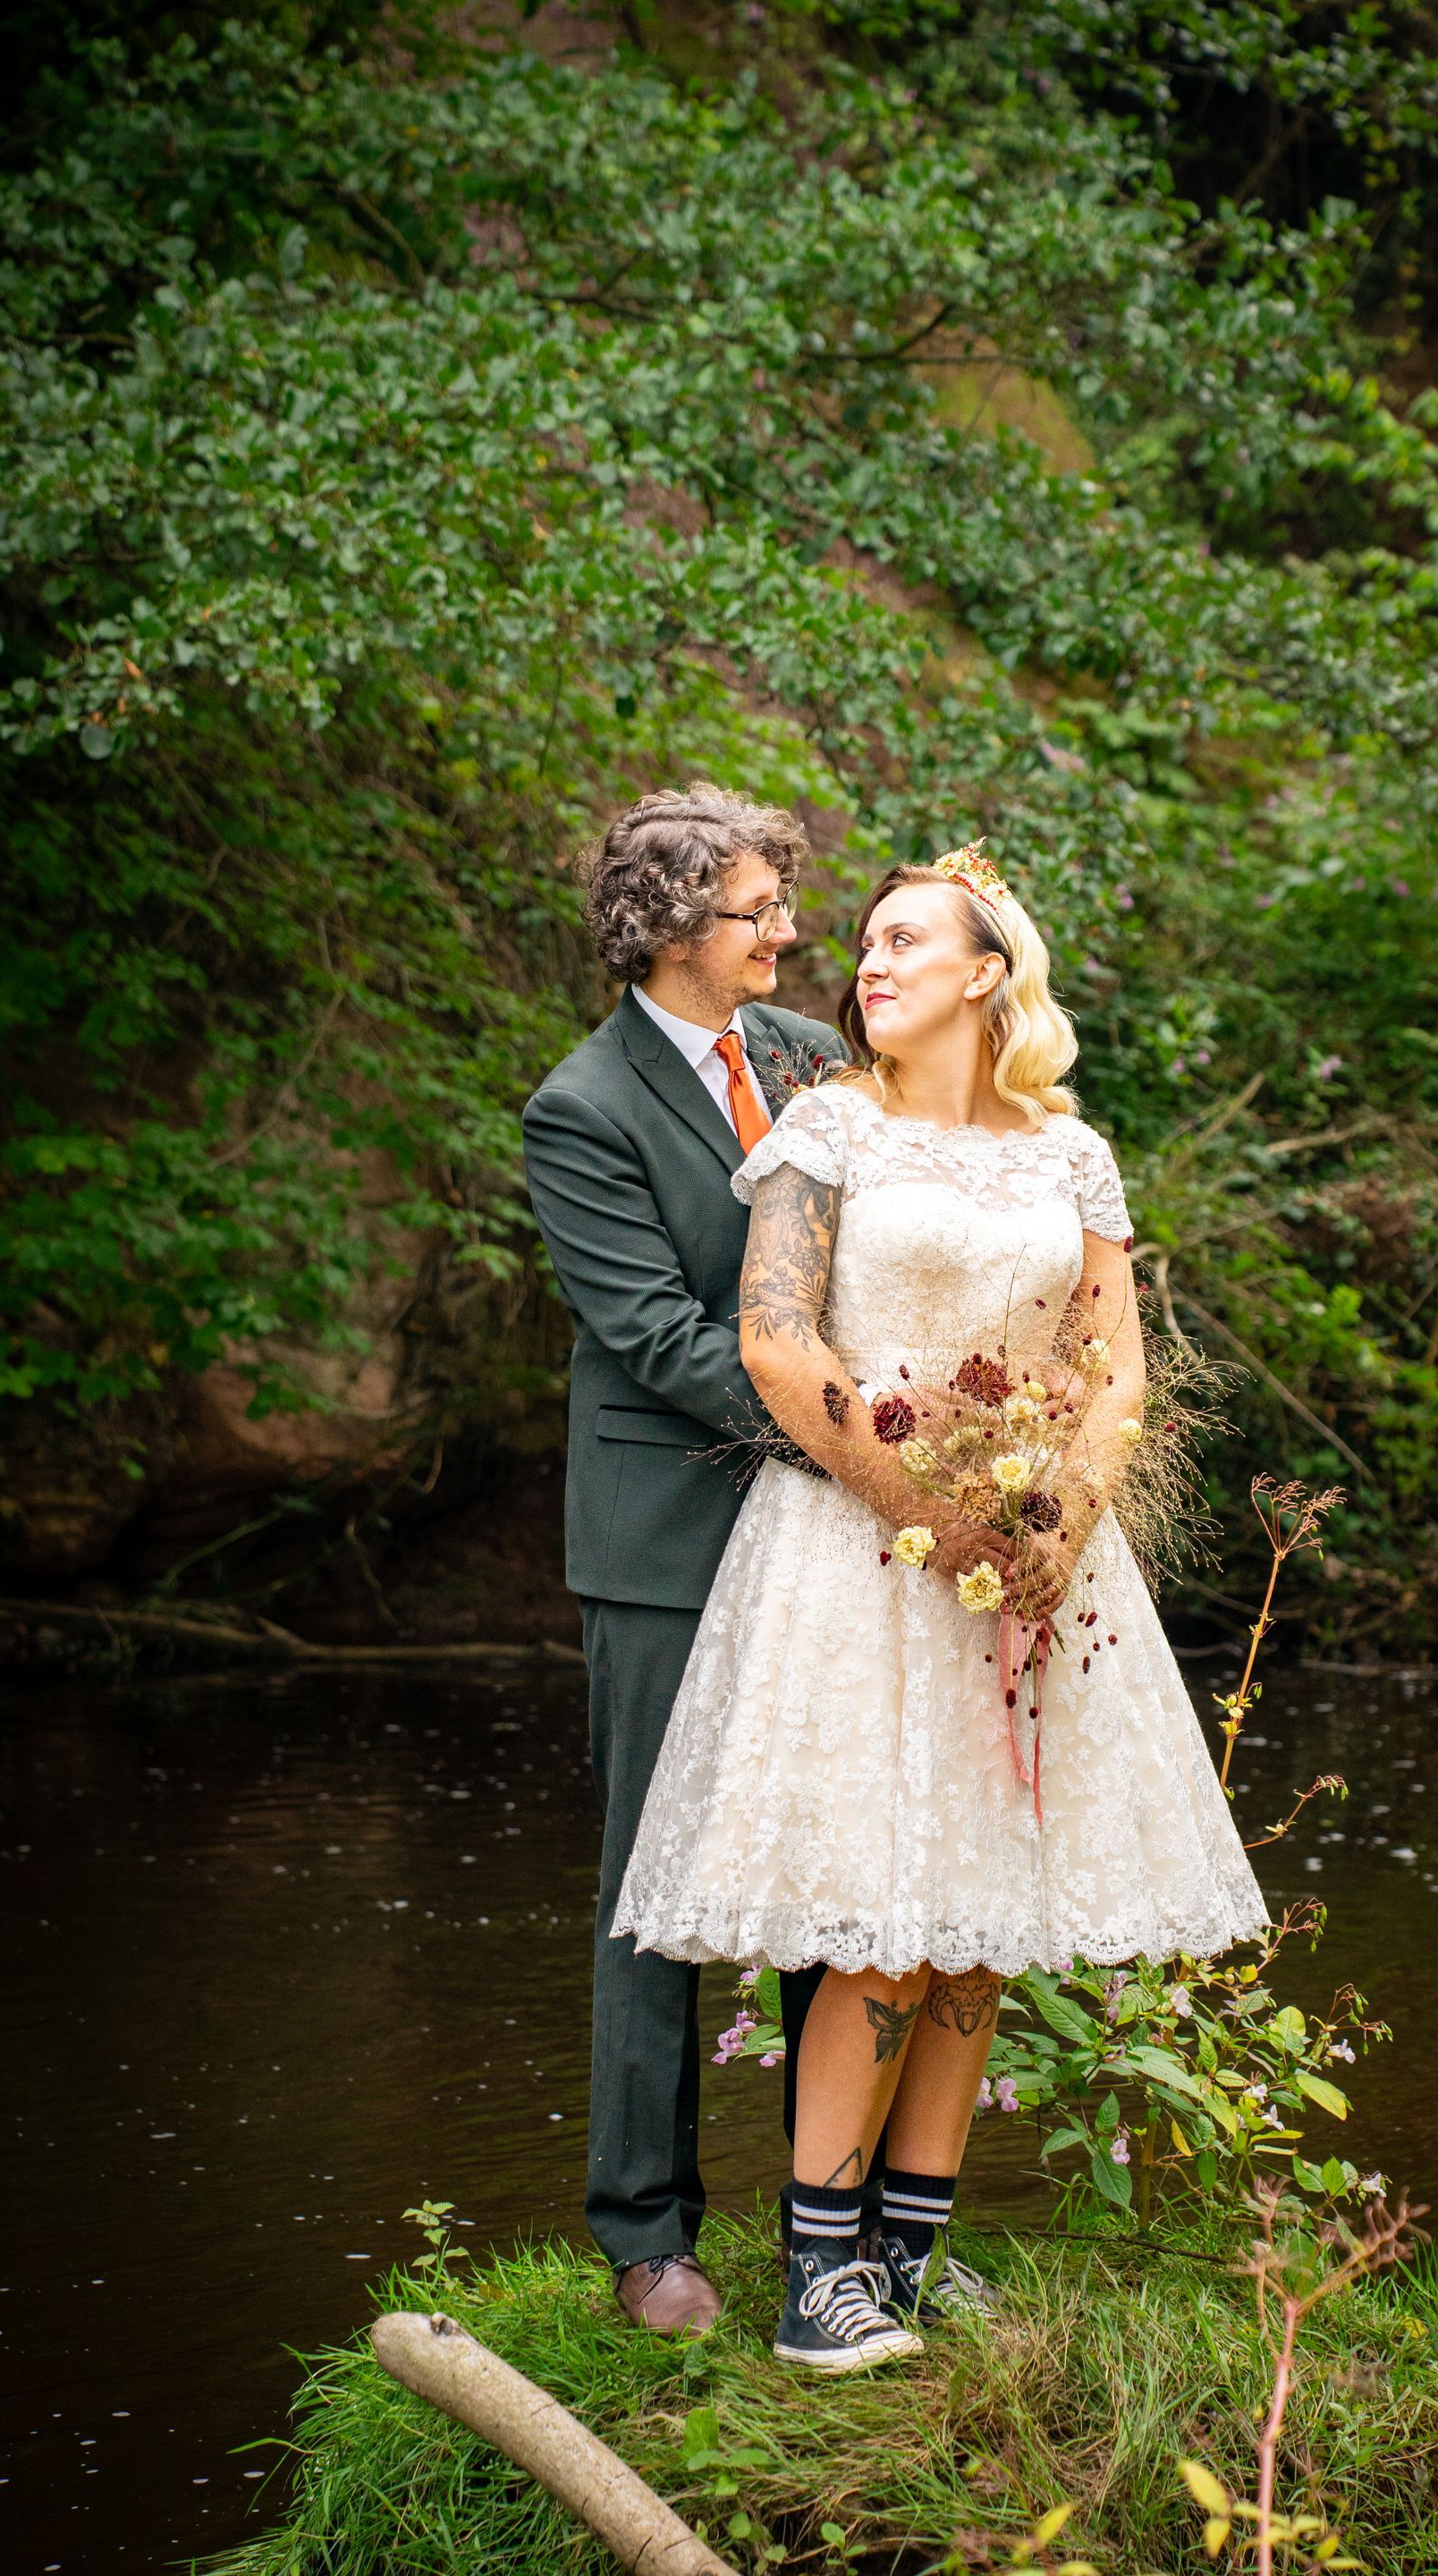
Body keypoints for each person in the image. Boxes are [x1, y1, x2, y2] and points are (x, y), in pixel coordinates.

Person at [613, 843, 1267, 2372]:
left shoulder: (1074, 1157)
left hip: (1036, 1562)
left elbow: (1114, 1370)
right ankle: (814, 2279)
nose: (870, 961)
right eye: (865, 942)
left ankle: (910, 2255)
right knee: (881, 1927)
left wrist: (1060, 1511)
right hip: (858, 1546)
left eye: (909, 939)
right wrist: (926, 1507)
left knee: (978, 1925)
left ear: (990, 973)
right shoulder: (827, 1131)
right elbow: (775, 1344)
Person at [521, 784, 846, 2337]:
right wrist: (855, 1432)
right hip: (666, 1541)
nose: (789, 929)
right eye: (759, 908)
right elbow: (652, 1334)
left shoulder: (803, 1059)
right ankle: (648, 2237)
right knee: (655, 1887)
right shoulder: (578, 1110)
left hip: (829, 1533)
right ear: (667, 930)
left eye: (783, 901)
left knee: (825, 1880)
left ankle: (831, 2235)